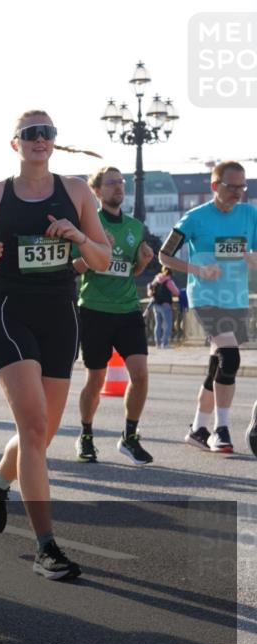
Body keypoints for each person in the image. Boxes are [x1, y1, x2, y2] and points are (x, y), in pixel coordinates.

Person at [0, 111, 111, 580]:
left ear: (54, 142)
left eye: (48, 133)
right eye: (31, 133)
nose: (40, 139)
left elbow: (101, 259)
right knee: (35, 424)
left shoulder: (76, 191)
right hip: (8, 311)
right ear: (15, 143)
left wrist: (78, 236)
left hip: (59, 314)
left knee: (41, 433)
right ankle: (46, 547)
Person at [158, 161, 257, 453]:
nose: (238, 192)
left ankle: (198, 429)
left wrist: (254, 258)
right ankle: (220, 430)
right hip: (204, 298)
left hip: (236, 299)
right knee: (231, 357)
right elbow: (165, 255)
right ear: (215, 186)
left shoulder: (249, 214)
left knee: (218, 364)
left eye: (242, 186)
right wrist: (198, 270)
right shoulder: (194, 218)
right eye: (231, 186)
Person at [72, 167, 154, 465]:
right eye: (111, 183)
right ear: (96, 191)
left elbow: (131, 271)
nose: (118, 187)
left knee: (140, 375)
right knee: (96, 379)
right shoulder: (87, 224)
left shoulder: (135, 226)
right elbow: (74, 268)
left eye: (121, 182)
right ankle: (86, 434)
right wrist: (93, 248)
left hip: (128, 309)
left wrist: (142, 262)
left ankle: (130, 436)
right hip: (95, 310)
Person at [147, 266, 179, 349]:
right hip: (165, 305)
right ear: (170, 273)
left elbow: (151, 288)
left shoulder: (156, 279)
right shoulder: (168, 281)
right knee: (167, 324)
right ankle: (165, 344)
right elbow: (176, 292)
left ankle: (157, 343)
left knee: (157, 324)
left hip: (156, 304)